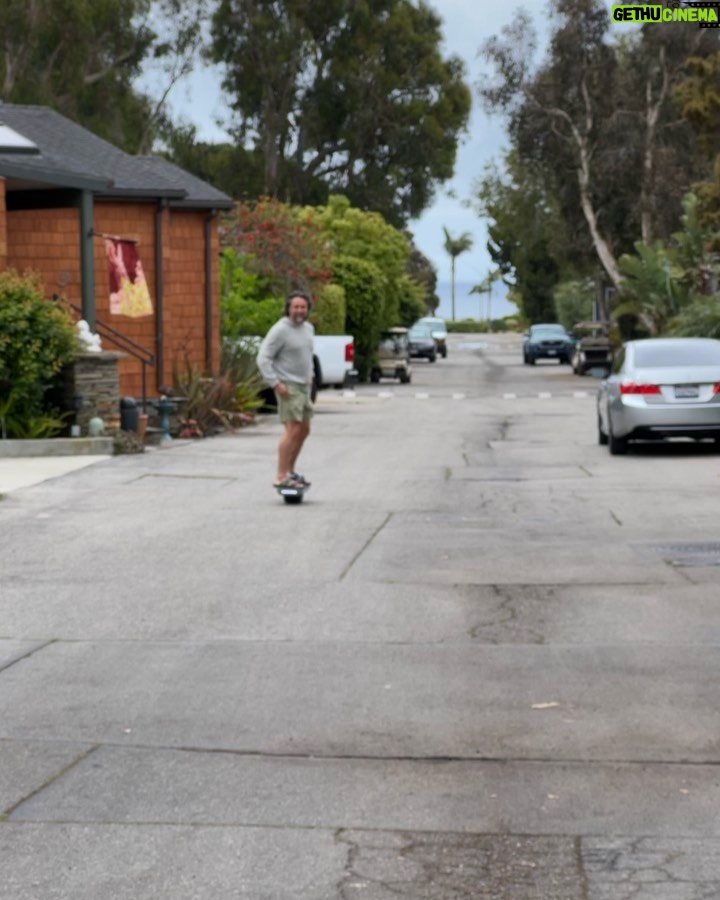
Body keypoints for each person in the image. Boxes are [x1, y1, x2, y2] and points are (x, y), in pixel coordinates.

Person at [257, 291, 315, 488]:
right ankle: (281, 475)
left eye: (303, 307)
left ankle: (291, 471)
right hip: (287, 386)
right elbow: (263, 358)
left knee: (304, 430)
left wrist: (311, 377)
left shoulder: (308, 328)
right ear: (288, 308)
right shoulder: (280, 330)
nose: (299, 310)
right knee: (293, 430)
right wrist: (275, 383)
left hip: (304, 386)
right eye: (295, 307)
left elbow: (307, 356)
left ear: (307, 309)